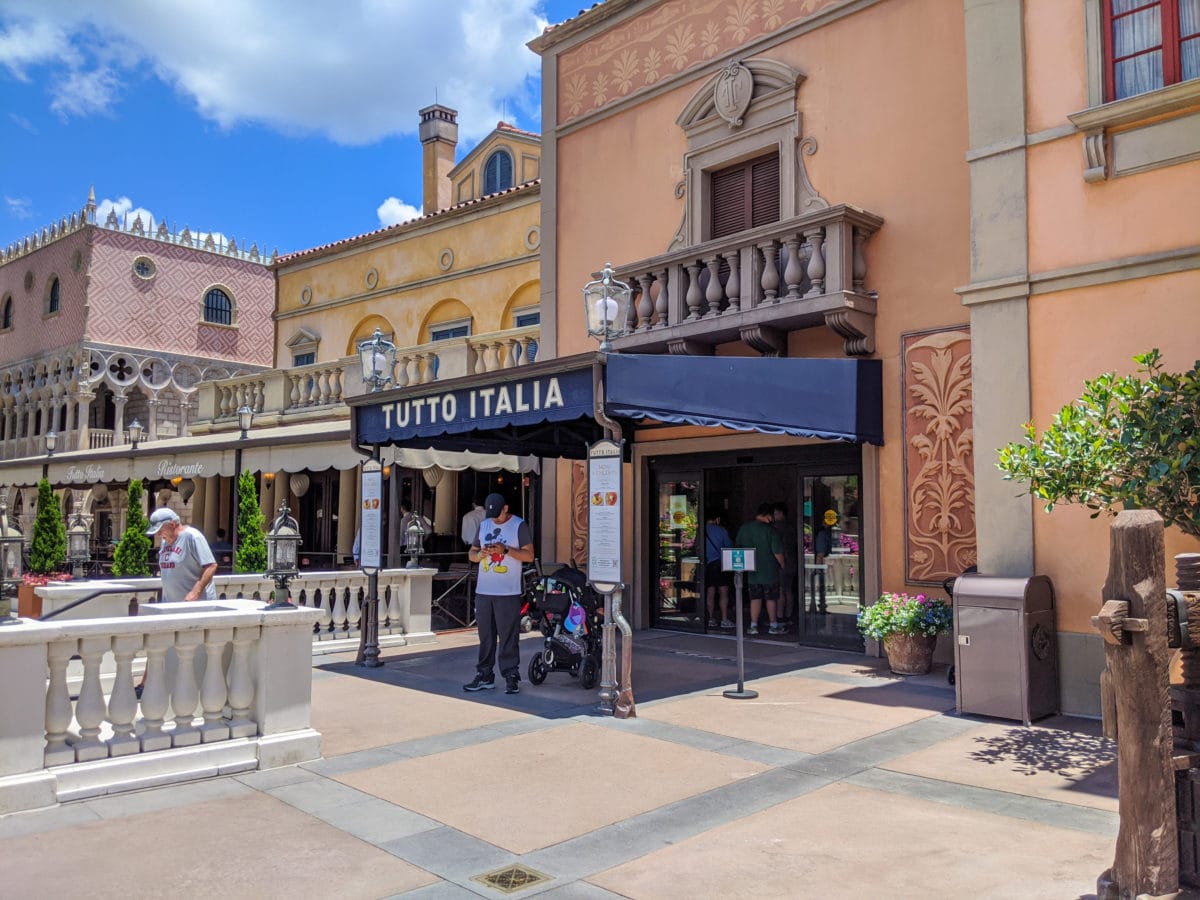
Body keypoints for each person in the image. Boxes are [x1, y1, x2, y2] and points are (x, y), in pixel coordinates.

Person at [464, 492, 534, 695]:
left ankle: (511, 675)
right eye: (491, 516)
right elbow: (472, 553)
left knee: (508, 636)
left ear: (506, 508)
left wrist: (505, 550)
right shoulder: (485, 525)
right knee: (485, 636)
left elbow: (529, 555)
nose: (495, 520)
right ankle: (484, 675)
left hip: (508, 592)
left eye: (499, 516)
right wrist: (480, 554)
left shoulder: (519, 525)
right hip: (484, 591)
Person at [734, 502, 785, 635]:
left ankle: (753, 625)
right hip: (769, 571)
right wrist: (783, 565)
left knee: (755, 599)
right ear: (768, 515)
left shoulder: (744, 528)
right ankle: (773, 625)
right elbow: (777, 552)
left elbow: (737, 546)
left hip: (752, 572)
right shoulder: (770, 530)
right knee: (771, 598)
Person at [146, 507, 217, 602]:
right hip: (171, 605)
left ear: (172, 524)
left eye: (160, 530)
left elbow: (211, 566)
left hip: (196, 605)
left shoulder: (192, 537)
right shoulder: (165, 541)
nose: (158, 534)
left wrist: (195, 592)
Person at [702, 512, 733, 629]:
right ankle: (724, 619)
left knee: (710, 592)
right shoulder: (721, 530)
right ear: (717, 519)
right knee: (723, 592)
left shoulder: (701, 530)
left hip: (707, 565)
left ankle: (710, 618)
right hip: (720, 564)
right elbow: (729, 547)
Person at [771, 501, 798, 625]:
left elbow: (777, 547)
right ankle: (789, 615)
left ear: (781, 513)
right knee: (788, 589)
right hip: (792, 562)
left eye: (776, 513)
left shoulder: (776, 528)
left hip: (781, 562)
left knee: (781, 590)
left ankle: (780, 616)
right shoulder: (792, 527)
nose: (774, 516)